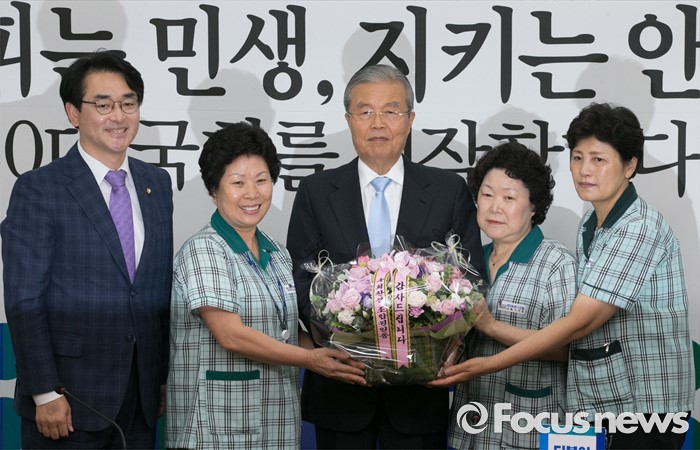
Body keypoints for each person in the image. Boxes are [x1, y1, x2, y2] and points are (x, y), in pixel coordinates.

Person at [432, 103, 694, 449]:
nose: (585, 170)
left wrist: (490, 343)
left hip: (644, 405)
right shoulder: (590, 223)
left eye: (599, 160)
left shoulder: (638, 227)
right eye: (577, 157)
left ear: (629, 166)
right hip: (603, 401)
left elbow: (579, 325)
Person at [286, 64, 484, 449]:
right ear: (349, 119)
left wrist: (449, 343)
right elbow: (302, 278)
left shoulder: (447, 190)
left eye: (391, 111)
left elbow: (469, 277)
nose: (378, 122)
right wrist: (338, 337)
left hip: (420, 388)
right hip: (342, 385)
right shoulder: (316, 191)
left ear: (410, 119)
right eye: (365, 111)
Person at [2, 50, 173, 448]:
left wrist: (160, 375)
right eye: (103, 104)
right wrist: (44, 391)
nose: (119, 116)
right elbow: (24, 300)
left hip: (141, 397)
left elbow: (154, 288)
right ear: (73, 113)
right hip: (68, 399)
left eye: (128, 103)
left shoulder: (157, 183)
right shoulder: (39, 189)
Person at [166, 122, 366, 450]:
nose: (252, 193)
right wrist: (311, 361)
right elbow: (230, 335)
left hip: (276, 420)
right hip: (215, 424)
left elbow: (285, 330)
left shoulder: (277, 253)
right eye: (237, 182)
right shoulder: (204, 249)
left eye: (261, 180)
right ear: (214, 189)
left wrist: (345, 350)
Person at [446, 141, 577, 449]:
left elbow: (567, 350)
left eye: (509, 197)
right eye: (487, 195)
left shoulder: (556, 263)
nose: (495, 207)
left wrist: (491, 326)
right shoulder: (465, 263)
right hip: (472, 425)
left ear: (534, 206)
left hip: (530, 426)